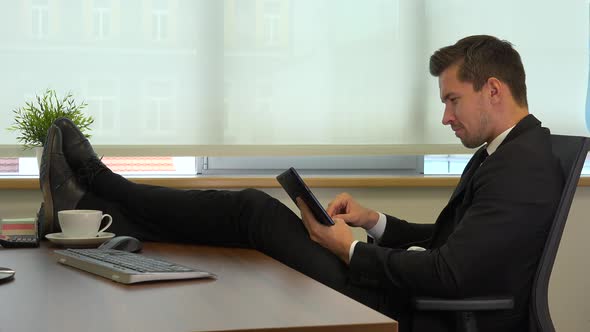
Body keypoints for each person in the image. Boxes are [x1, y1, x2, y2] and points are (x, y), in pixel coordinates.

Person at [39, 35, 563, 332]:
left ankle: (101, 190)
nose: (445, 116)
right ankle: (106, 201)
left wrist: (353, 252)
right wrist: (373, 222)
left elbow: (451, 273)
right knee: (252, 214)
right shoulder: (506, 152)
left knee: (252, 212)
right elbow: (454, 239)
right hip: (417, 293)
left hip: (425, 312)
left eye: (451, 99)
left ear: (493, 89)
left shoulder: (521, 164)